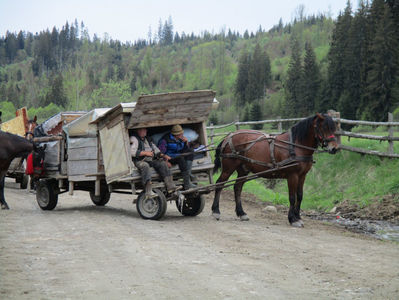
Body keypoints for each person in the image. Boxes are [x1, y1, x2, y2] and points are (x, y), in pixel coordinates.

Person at [130, 128, 177, 198]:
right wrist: (145, 153)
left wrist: (163, 155)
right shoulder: (134, 138)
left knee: (162, 163)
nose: (146, 131)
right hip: (139, 160)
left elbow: (156, 150)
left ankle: (170, 187)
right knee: (145, 166)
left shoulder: (148, 139)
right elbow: (131, 152)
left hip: (150, 160)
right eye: (144, 130)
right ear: (138, 130)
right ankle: (148, 191)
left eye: (145, 129)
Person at [158, 124, 196, 190]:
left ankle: (188, 174)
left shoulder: (181, 139)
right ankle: (187, 184)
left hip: (178, 154)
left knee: (191, 151)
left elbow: (184, 150)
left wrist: (186, 142)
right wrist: (165, 161)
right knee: (180, 158)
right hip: (170, 157)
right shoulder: (165, 140)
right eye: (180, 134)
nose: (182, 135)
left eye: (182, 133)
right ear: (176, 135)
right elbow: (160, 153)